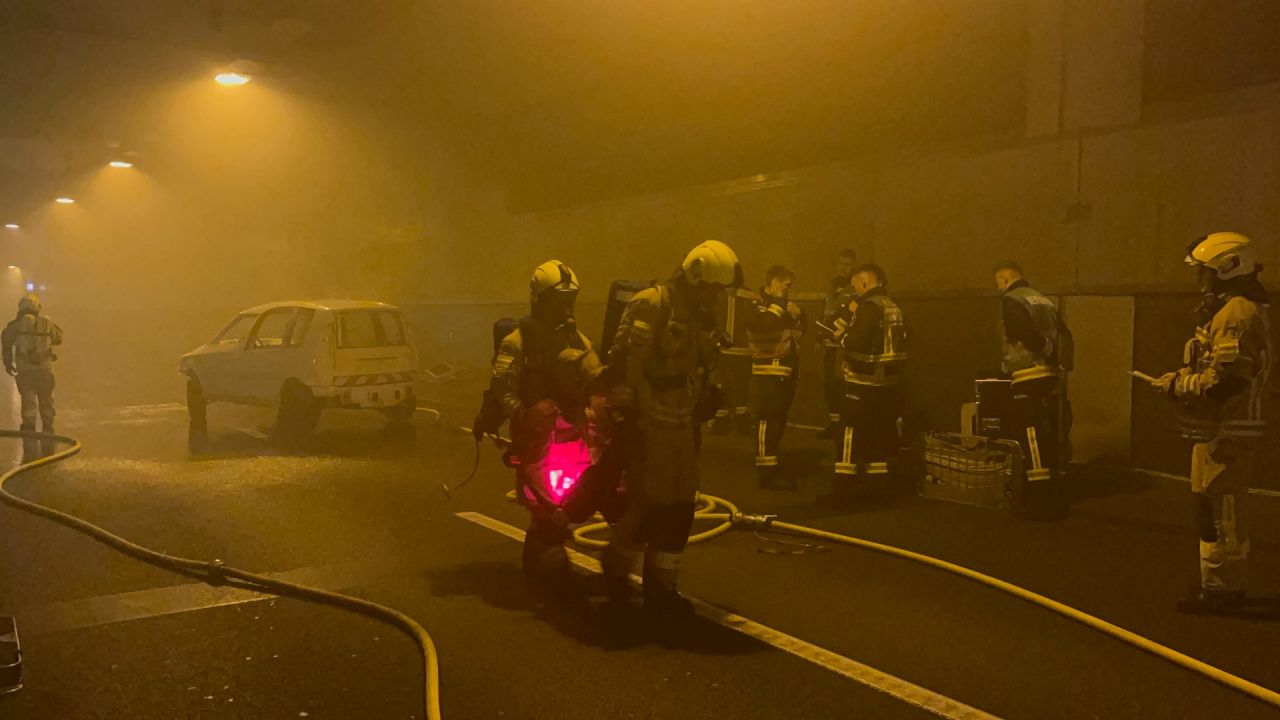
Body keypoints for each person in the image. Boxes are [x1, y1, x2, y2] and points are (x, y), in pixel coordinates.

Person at [601, 239, 741, 616]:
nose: (715, 298)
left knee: (681, 506)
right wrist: (627, 419)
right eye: (710, 289)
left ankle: (662, 589)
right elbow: (626, 367)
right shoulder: (652, 304)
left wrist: (708, 396)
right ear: (693, 279)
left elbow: (699, 367)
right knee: (648, 503)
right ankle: (615, 571)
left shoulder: (700, 317)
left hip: (681, 422)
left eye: (719, 291)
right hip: (648, 419)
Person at [1148, 232, 1271, 614]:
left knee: (1224, 513)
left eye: (1204, 272)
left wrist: (1177, 385)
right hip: (1216, 429)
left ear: (1225, 268)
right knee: (1208, 507)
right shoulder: (1228, 309)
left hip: (1228, 431)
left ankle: (1227, 591)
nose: (1199, 280)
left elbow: (1228, 378)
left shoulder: (1236, 312)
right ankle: (1216, 584)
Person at [473, 261, 604, 592]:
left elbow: (596, 378)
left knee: (571, 499)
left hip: (571, 434)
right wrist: (522, 414)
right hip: (537, 438)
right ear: (539, 299)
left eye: (569, 299)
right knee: (543, 504)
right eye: (558, 299)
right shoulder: (518, 344)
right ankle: (543, 562)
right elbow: (502, 387)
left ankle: (544, 557)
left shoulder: (577, 340)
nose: (565, 307)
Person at [994, 260, 1071, 519]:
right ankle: (1052, 491)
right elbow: (1064, 334)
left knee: (1029, 432)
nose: (998, 289)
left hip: (1028, 372)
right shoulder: (1043, 300)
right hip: (1049, 373)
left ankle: (1039, 498)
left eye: (998, 283)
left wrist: (1040, 347)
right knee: (1046, 431)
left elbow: (1018, 329)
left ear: (1005, 279)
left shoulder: (1012, 299)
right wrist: (1057, 358)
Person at [828, 264, 906, 502]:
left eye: (855, 286)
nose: (854, 291)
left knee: (849, 432)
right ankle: (877, 488)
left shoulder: (868, 307)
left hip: (861, 381)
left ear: (864, 282)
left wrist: (843, 338)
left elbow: (858, 341)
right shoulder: (892, 306)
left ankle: (844, 489)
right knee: (877, 434)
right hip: (887, 383)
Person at [746, 265, 805, 489]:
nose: (788, 290)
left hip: (785, 371)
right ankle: (766, 472)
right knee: (766, 421)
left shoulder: (785, 306)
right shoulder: (757, 303)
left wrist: (801, 314)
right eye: (785, 285)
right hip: (766, 370)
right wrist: (780, 305)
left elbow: (799, 330)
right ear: (772, 283)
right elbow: (764, 325)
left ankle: (772, 462)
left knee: (778, 420)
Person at [2, 293, 62, 438]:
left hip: (25, 371)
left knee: (28, 399)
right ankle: (48, 426)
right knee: (46, 398)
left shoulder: (14, 326)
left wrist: (8, 364)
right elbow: (58, 339)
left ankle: (29, 429)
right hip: (45, 369)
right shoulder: (48, 323)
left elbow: (6, 345)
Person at [817, 249, 858, 440]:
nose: (843, 268)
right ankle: (834, 424)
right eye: (841, 264)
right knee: (829, 386)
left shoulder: (855, 289)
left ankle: (845, 425)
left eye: (847, 264)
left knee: (844, 386)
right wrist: (820, 338)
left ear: (854, 266)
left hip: (843, 347)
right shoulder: (832, 287)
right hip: (829, 346)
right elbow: (826, 313)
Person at [708, 286, 756, 435]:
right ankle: (738, 423)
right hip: (738, 350)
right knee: (738, 387)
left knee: (726, 386)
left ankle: (725, 422)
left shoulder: (718, 296)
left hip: (730, 350)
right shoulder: (747, 295)